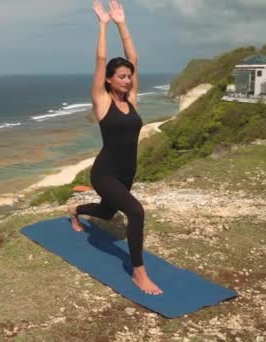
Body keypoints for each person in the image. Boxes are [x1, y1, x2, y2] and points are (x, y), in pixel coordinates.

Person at [66, 0, 163, 295]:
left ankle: (75, 209)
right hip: (105, 172)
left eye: (129, 76)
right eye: (121, 76)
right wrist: (104, 25)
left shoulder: (131, 100)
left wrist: (123, 23)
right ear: (109, 79)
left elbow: (133, 56)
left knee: (107, 214)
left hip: (126, 172)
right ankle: (139, 272)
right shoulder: (103, 101)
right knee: (136, 212)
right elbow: (99, 60)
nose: (128, 79)